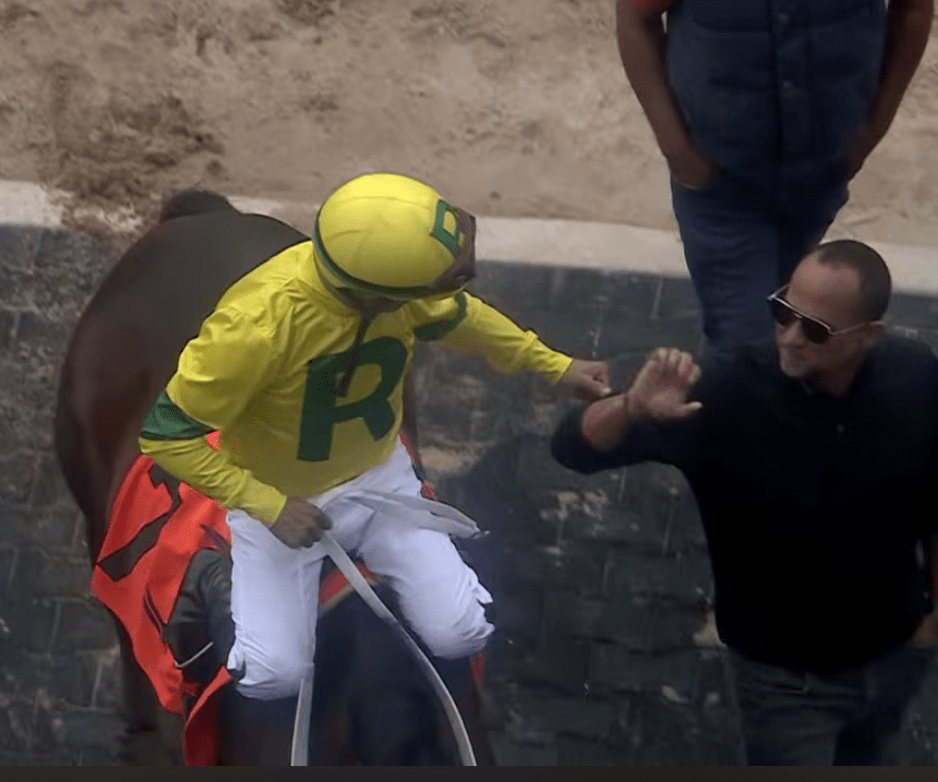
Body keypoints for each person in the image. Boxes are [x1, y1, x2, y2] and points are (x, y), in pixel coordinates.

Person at [138, 172, 612, 763]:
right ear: (376, 294)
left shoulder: (395, 297)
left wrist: (555, 366)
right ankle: (212, 581)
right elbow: (165, 436)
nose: (447, 292)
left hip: (382, 483)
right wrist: (270, 507)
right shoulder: (254, 329)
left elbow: (465, 319)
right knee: (273, 675)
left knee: (462, 630)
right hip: (281, 504)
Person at [548, 239, 938, 765]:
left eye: (814, 329)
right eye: (782, 312)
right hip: (786, 686)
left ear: (868, 336)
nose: (790, 338)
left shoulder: (916, 377)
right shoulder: (730, 395)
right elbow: (572, 448)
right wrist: (631, 407)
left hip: (895, 656)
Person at [615, 0, 935, 358]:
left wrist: (871, 131)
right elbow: (634, 19)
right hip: (723, 184)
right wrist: (678, 152)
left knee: (797, 337)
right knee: (744, 350)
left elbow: (914, 11)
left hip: (818, 176)